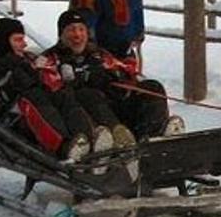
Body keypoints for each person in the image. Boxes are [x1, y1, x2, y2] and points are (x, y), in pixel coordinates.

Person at [0, 17, 107, 162]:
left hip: (40, 115)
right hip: (10, 124)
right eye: (18, 40)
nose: (24, 44)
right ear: (2, 42)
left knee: (62, 96)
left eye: (23, 39)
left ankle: (87, 140)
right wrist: (7, 89)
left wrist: (49, 76)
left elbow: (53, 80)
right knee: (33, 97)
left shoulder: (28, 59)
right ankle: (63, 147)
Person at [43, 9, 185, 141]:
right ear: (61, 34)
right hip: (86, 119)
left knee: (152, 87)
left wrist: (115, 77)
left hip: (114, 108)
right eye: (71, 30)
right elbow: (51, 89)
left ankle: (153, 134)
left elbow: (128, 72)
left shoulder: (98, 55)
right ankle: (120, 137)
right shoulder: (50, 59)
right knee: (88, 94)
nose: (77, 35)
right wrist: (82, 81)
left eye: (81, 29)